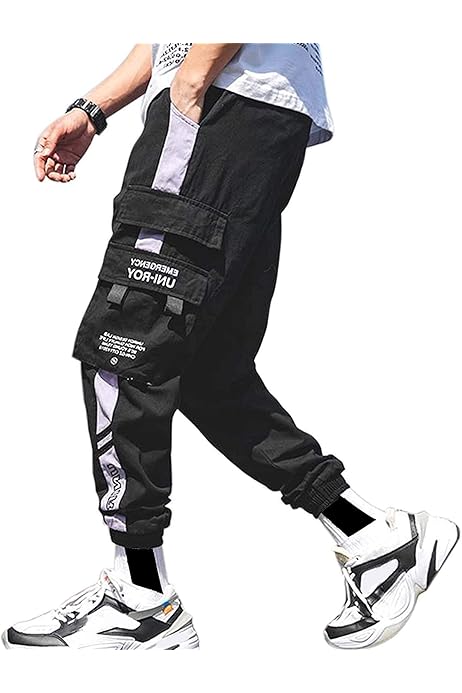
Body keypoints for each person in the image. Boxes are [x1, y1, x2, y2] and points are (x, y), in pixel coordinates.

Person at [2, 43, 458, 651]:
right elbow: (165, 37)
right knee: (204, 371)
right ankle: (376, 537)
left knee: (123, 351)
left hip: (220, 105)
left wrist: (191, 87)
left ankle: (140, 596)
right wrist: (93, 109)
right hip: (253, 120)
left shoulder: (207, 88)